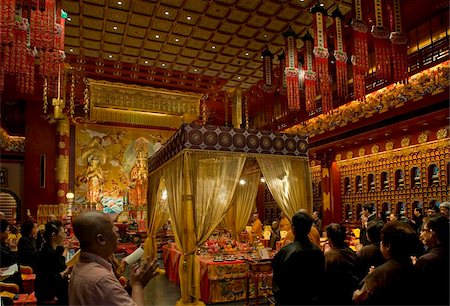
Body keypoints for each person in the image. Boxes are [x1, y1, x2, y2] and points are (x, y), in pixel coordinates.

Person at [69, 211, 159, 306]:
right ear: (101, 239)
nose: (117, 230)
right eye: (112, 227)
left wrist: (130, 286)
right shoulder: (102, 279)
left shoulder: (80, 266)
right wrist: (138, 285)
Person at [353, 222, 420, 304]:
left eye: (382, 240)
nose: (380, 243)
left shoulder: (379, 274)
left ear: (388, 246)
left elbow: (358, 298)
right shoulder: (417, 269)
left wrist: (371, 276)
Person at [272, 210, 325, 305]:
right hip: (312, 300)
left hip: (290, 300)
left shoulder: (286, 251)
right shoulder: (318, 252)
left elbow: (277, 278)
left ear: (293, 229)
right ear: (309, 229)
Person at [35, 220, 72, 305]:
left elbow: (59, 264)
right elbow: (46, 279)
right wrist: (64, 273)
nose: (65, 236)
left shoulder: (54, 249)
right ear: (54, 235)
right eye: (62, 233)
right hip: (50, 296)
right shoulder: (46, 253)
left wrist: (65, 250)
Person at [415, 215, 449, 305]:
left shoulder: (426, 260)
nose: (421, 234)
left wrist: (416, 266)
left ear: (432, 232)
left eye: (423, 230)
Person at [323, 223, 359, 305]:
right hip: (351, 295)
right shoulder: (351, 252)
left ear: (330, 239)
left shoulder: (329, 256)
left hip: (335, 297)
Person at [0, 219, 24, 292]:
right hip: (5, 278)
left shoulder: (3, 244)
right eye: (7, 231)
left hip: (9, 272)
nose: (8, 233)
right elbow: (11, 257)